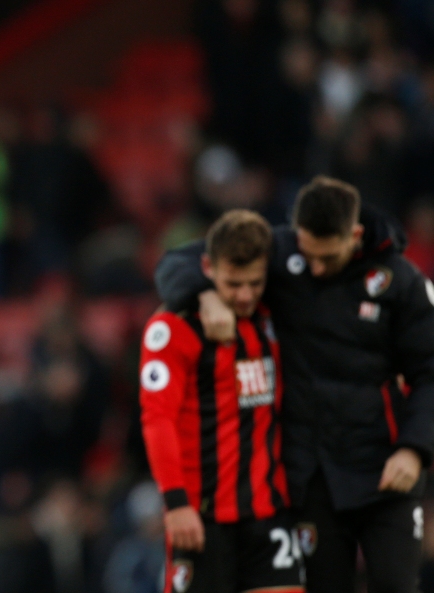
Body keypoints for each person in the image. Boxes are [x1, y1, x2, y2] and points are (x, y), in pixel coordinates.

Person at [155, 177, 434, 593]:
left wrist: (415, 448)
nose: (314, 267)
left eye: (327, 257)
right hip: (312, 478)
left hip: (385, 470)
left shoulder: (399, 281)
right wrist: (204, 294)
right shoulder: (283, 252)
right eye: (307, 254)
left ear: (353, 236)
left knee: (395, 585)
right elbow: (180, 262)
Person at [140, 210, 304, 593]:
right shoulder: (173, 328)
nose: (245, 295)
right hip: (201, 517)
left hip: (269, 514)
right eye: (233, 284)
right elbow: (157, 418)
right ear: (208, 268)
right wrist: (176, 503)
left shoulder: (273, 314)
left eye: (254, 283)